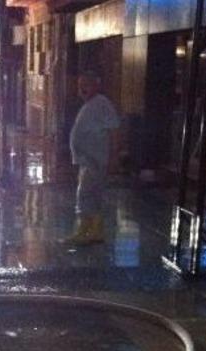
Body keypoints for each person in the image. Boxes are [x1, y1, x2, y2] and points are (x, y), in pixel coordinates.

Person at [63, 71, 120, 246]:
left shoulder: (101, 103)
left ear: (96, 85)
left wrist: (114, 157)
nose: (82, 89)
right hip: (87, 160)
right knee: (90, 193)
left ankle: (88, 229)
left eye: (86, 84)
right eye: (80, 85)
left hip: (96, 159)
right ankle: (92, 230)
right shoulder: (90, 105)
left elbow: (114, 130)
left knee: (86, 194)